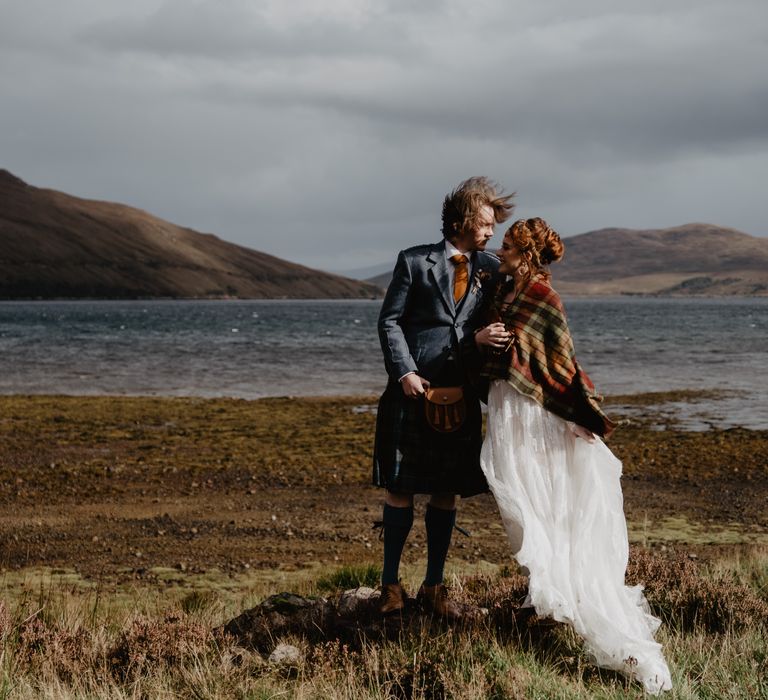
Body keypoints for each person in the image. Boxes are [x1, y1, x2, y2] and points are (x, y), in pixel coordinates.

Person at [474, 218, 673, 694]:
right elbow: (490, 344)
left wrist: (583, 412)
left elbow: (562, 364)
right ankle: (542, 604)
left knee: (545, 510)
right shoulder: (502, 290)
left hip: (534, 416)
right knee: (520, 508)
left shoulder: (545, 299)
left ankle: (568, 608)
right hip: (506, 413)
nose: (500, 250)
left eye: (508, 245)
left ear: (527, 254)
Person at [373, 176, 515, 619]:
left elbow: (518, 303)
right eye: (486, 223)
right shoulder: (414, 262)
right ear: (464, 219)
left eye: (493, 225)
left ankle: (434, 587)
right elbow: (390, 322)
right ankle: (390, 587)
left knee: (447, 492)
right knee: (400, 490)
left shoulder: (490, 269)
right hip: (414, 392)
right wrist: (405, 371)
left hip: (460, 395)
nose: (491, 232)